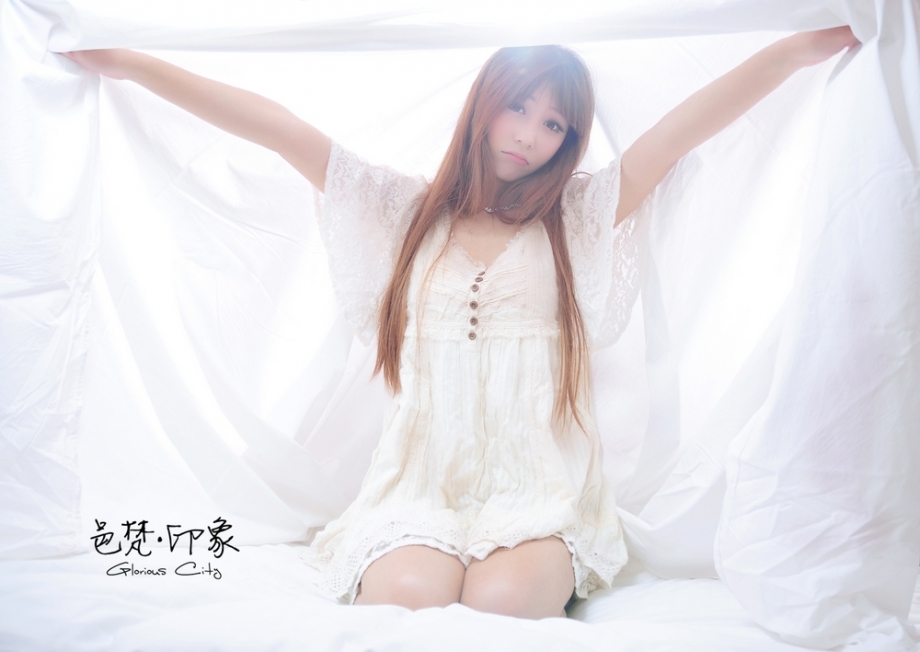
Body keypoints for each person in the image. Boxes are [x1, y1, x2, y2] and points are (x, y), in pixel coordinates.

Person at [64, 26, 858, 620]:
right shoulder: (401, 213)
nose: (530, 135)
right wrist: (131, 63)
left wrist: (794, 50)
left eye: (555, 125)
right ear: (484, 105)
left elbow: (681, 130)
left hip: (537, 489)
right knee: (407, 599)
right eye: (518, 107)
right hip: (418, 486)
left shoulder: (578, 219)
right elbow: (278, 128)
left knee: (504, 607)